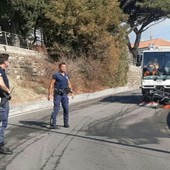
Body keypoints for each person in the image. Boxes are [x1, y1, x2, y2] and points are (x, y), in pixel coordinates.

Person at [48, 62, 73, 129]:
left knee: (66, 109)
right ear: (59, 67)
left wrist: (71, 91)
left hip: (64, 94)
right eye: (62, 67)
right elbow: (51, 84)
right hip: (58, 95)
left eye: (65, 67)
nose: (64, 68)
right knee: (56, 109)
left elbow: (69, 83)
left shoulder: (66, 75)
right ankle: (53, 124)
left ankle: (66, 123)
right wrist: (49, 94)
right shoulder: (56, 75)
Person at [0, 53, 12, 154]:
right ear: (4, 62)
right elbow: (0, 83)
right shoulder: (0, 70)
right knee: (2, 123)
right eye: (8, 60)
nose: (8, 62)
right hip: (1, 101)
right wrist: (7, 90)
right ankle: (0, 145)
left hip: (3, 100)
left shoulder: (2, 71)